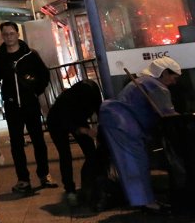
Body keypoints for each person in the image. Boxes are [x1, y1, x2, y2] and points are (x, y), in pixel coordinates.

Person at [98, 57, 181, 213]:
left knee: (134, 161)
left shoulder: (144, 81)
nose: (174, 82)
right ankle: (145, 202)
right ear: (164, 73)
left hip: (118, 121)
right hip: (123, 124)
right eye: (173, 77)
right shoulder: (156, 86)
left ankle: (144, 199)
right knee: (135, 162)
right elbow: (168, 114)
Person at [0, 21, 56, 194]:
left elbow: (44, 75)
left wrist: (35, 91)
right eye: (5, 34)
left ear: (17, 34)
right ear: (1, 35)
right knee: (17, 144)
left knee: (38, 140)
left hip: (30, 104)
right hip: (11, 106)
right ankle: (23, 179)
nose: (9, 37)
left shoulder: (30, 55)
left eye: (11, 33)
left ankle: (44, 174)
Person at [46, 79, 102, 207]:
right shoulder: (67, 100)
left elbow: (100, 111)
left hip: (77, 118)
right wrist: (86, 131)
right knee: (65, 154)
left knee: (90, 151)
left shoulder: (93, 92)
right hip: (57, 122)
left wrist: (100, 130)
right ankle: (70, 189)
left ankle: (92, 181)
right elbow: (67, 123)